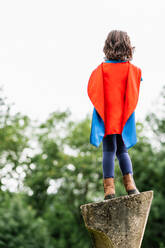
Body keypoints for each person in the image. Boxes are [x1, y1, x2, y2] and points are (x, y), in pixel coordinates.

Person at [87, 30, 143, 200]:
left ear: (107, 46)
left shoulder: (101, 69)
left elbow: (92, 87)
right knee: (122, 150)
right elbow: (137, 80)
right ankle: (130, 186)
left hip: (107, 116)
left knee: (109, 151)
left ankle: (109, 190)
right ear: (127, 46)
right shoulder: (131, 69)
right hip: (123, 117)